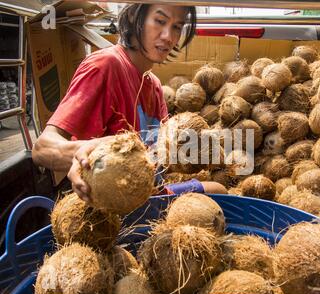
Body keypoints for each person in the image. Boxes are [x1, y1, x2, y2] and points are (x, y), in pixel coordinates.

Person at [32, 4, 227, 203]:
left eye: (177, 27)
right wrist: (89, 153)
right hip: (112, 207)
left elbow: (158, 157)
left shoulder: (155, 85)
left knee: (219, 190)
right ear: (135, 17)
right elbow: (42, 149)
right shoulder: (105, 66)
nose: (168, 36)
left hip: (148, 195)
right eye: (160, 21)